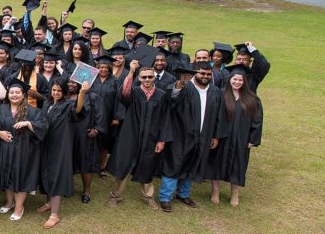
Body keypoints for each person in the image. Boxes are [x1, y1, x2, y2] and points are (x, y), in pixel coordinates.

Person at [106, 59, 172, 210]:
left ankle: (148, 196)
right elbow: (124, 93)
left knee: (147, 166)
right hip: (131, 135)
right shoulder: (134, 92)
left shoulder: (161, 95)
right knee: (125, 166)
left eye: (150, 77)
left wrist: (161, 140)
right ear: (139, 78)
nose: (147, 80)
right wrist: (131, 71)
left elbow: (165, 118)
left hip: (151, 136)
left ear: (154, 77)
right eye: (143, 77)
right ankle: (115, 195)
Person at [158, 62, 222, 212]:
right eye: (202, 73)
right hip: (180, 135)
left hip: (203, 136)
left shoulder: (215, 91)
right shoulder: (185, 87)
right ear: (195, 73)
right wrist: (180, 82)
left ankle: (184, 194)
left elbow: (219, 116)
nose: (205, 76)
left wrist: (215, 136)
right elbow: (172, 97)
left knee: (192, 163)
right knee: (174, 164)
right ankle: (165, 197)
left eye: (208, 74)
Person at [0, 79, 48, 221]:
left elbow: (43, 126)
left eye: (17, 92)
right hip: (5, 148)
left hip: (24, 151)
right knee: (7, 176)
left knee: (20, 178)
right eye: (11, 92)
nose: (14, 95)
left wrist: (28, 123)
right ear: (8, 94)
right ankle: (10, 203)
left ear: (23, 95)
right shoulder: (1, 108)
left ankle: (19, 208)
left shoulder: (33, 111)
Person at [208, 64, 263, 206]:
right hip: (222, 136)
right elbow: (212, 117)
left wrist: (253, 139)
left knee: (238, 165)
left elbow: (257, 120)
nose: (237, 82)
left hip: (241, 138)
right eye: (234, 79)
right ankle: (215, 191)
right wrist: (213, 135)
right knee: (216, 163)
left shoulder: (252, 99)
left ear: (244, 81)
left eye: (240, 80)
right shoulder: (220, 94)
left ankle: (235, 193)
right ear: (229, 79)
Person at [37, 79, 89, 229]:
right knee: (46, 173)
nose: (56, 93)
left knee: (56, 176)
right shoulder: (47, 104)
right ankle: (48, 203)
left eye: (59, 90)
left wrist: (82, 93)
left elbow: (78, 110)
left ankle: (54, 215)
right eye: (54, 90)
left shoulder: (67, 105)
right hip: (46, 143)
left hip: (60, 146)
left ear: (65, 91)